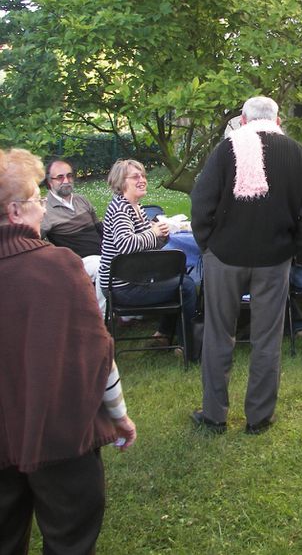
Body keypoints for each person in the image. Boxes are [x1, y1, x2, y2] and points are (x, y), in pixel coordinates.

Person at [0, 148, 136, 554]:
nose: (43, 210)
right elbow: (97, 352)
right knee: (69, 541)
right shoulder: (59, 266)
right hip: (60, 437)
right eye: (36, 201)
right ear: (14, 213)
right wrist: (119, 415)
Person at [191, 96, 302, 435]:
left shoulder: (225, 150)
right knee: (267, 339)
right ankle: (259, 418)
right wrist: (291, 247)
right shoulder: (295, 152)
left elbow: (201, 204)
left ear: (243, 120)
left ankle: (214, 414)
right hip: (273, 258)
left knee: (218, 334)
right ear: (278, 121)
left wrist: (208, 245)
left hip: (224, 257)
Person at [99, 159, 197, 352]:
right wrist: (154, 233)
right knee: (186, 286)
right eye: (135, 177)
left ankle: (163, 335)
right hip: (122, 287)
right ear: (121, 182)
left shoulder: (136, 207)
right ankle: (188, 347)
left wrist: (163, 235)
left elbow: (148, 246)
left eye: (143, 175)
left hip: (134, 278)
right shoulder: (121, 209)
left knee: (178, 278)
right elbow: (126, 245)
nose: (142, 180)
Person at [41, 157, 107, 312]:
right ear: (49, 182)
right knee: (104, 268)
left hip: (102, 252)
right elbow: (34, 240)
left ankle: (130, 313)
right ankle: (102, 318)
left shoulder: (81, 200)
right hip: (78, 261)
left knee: (128, 259)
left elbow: (100, 229)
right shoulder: (45, 209)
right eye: (60, 177)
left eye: (69, 176)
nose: (66, 180)